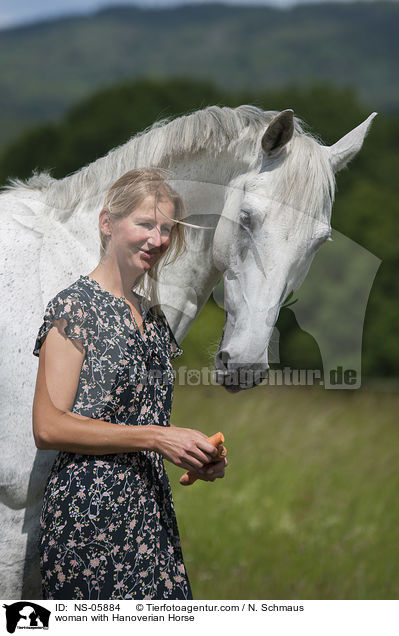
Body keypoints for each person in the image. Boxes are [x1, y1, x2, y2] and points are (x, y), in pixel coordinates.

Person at [32, 168, 228, 600]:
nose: (157, 240)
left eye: (166, 229)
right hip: (88, 524)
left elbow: (140, 421)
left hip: (150, 518)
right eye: (145, 224)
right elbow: (48, 427)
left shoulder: (153, 318)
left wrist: (193, 453)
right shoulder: (74, 308)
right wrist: (158, 438)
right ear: (107, 223)